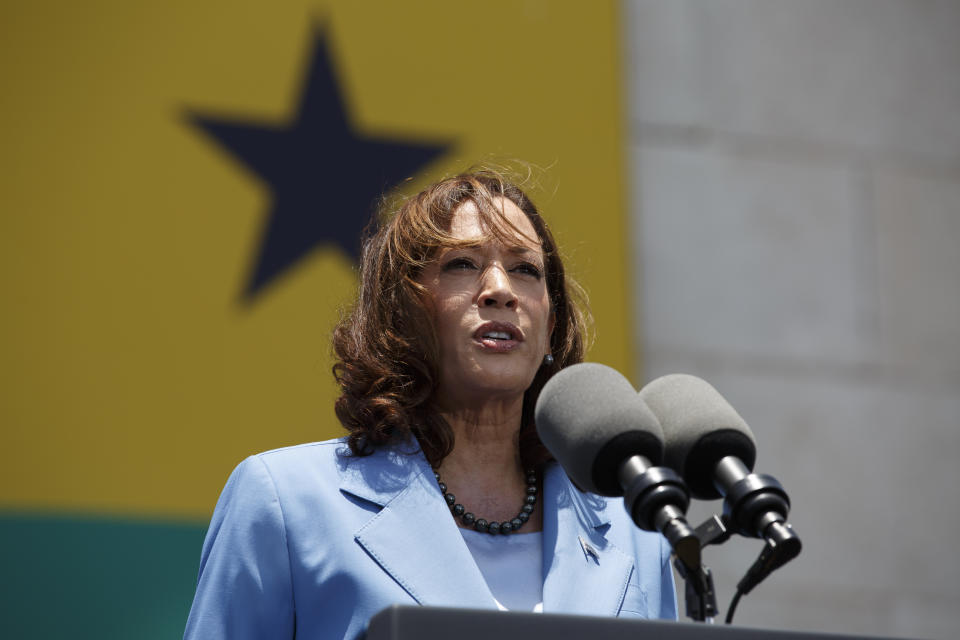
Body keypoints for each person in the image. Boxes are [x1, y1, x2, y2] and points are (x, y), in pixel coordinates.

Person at [183, 169, 677, 640]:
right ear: (401, 314)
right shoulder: (285, 503)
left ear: (550, 326)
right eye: (462, 264)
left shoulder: (637, 528)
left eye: (525, 269)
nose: (501, 290)